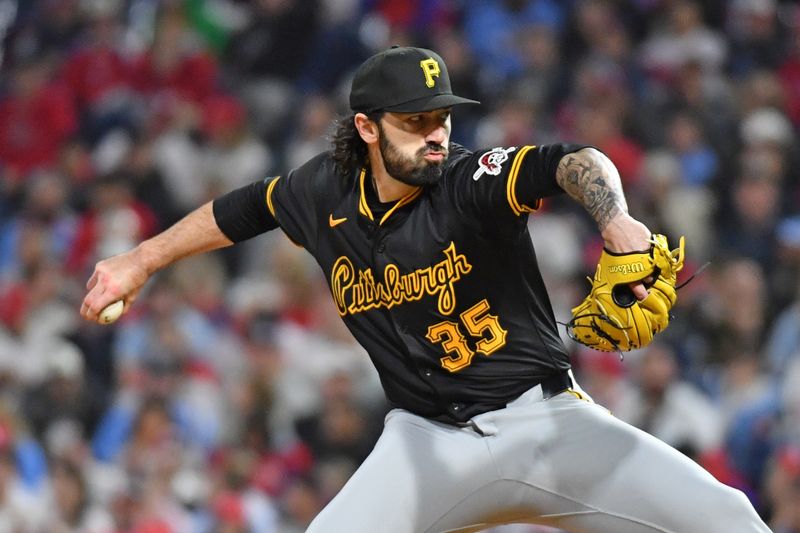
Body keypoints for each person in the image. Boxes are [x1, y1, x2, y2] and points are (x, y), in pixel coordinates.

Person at [81, 46, 770, 532]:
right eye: (415, 121)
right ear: (367, 128)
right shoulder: (321, 190)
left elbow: (570, 162)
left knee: (727, 519)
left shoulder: (469, 183)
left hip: (546, 426)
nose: (435, 133)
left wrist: (615, 218)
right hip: (426, 442)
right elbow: (242, 210)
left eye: (440, 117)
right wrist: (142, 258)